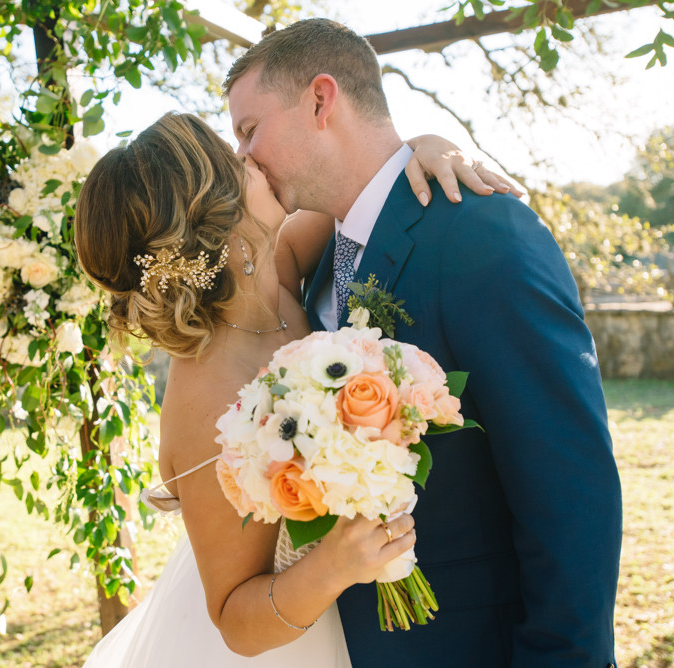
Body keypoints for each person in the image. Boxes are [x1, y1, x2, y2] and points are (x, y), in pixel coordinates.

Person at [224, 18, 623, 668]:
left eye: (249, 130)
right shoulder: (321, 254)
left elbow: (572, 490)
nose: (243, 157)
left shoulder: (483, 235)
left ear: (321, 100)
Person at [74, 112, 511, 667]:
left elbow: (363, 190)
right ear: (217, 222)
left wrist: (420, 148)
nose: (253, 157)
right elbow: (235, 620)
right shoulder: (208, 397)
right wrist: (334, 565)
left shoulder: (267, 270)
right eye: (236, 163)